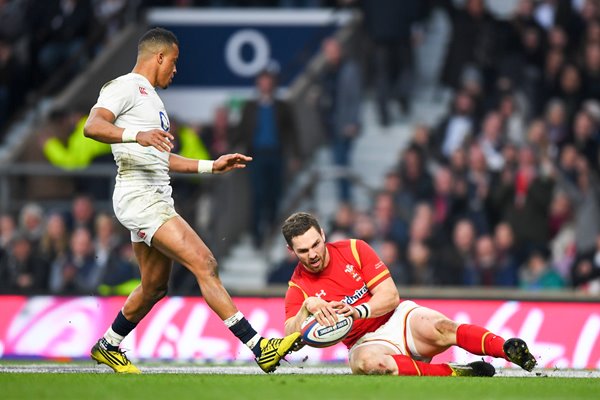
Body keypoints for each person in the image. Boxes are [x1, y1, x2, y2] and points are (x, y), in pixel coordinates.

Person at [83, 27, 301, 374]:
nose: (175, 69)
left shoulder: (152, 100)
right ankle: (260, 347)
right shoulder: (124, 87)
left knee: (154, 287)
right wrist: (137, 135)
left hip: (154, 198)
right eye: (174, 61)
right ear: (159, 57)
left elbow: (161, 159)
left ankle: (108, 345)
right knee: (205, 262)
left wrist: (212, 166)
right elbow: (92, 126)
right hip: (141, 198)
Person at [281, 212, 537, 377]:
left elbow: (390, 296)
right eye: (303, 250)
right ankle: (453, 373)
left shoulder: (355, 249)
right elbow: (289, 336)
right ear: (291, 251)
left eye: (316, 244)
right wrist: (307, 308)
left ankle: (507, 349)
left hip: (399, 319)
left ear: (323, 235)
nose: (313, 254)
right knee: (367, 364)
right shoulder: (298, 287)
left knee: (443, 327)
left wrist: (358, 311)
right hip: (364, 342)